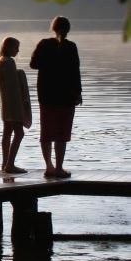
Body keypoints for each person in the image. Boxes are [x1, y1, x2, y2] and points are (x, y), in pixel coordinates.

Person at [30, 16, 82, 178]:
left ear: (53, 28)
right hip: (66, 95)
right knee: (62, 132)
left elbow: (33, 64)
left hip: (46, 94)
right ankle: (59, 168)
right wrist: (78, 93)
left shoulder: (44, 44)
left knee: (46, 132)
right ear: (68, 29)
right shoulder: (71, 47)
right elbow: (75, 71)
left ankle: (49, 167)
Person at [0, 36, 31, 173]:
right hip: (13, 104)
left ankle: (4, 163)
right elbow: (14, 88)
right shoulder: (9, 62)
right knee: (19, 133)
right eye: (16, 47)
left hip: (5, 104)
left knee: (7, 133)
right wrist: (23, 106)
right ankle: (10, 164)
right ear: (8, 47)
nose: (18, 50)